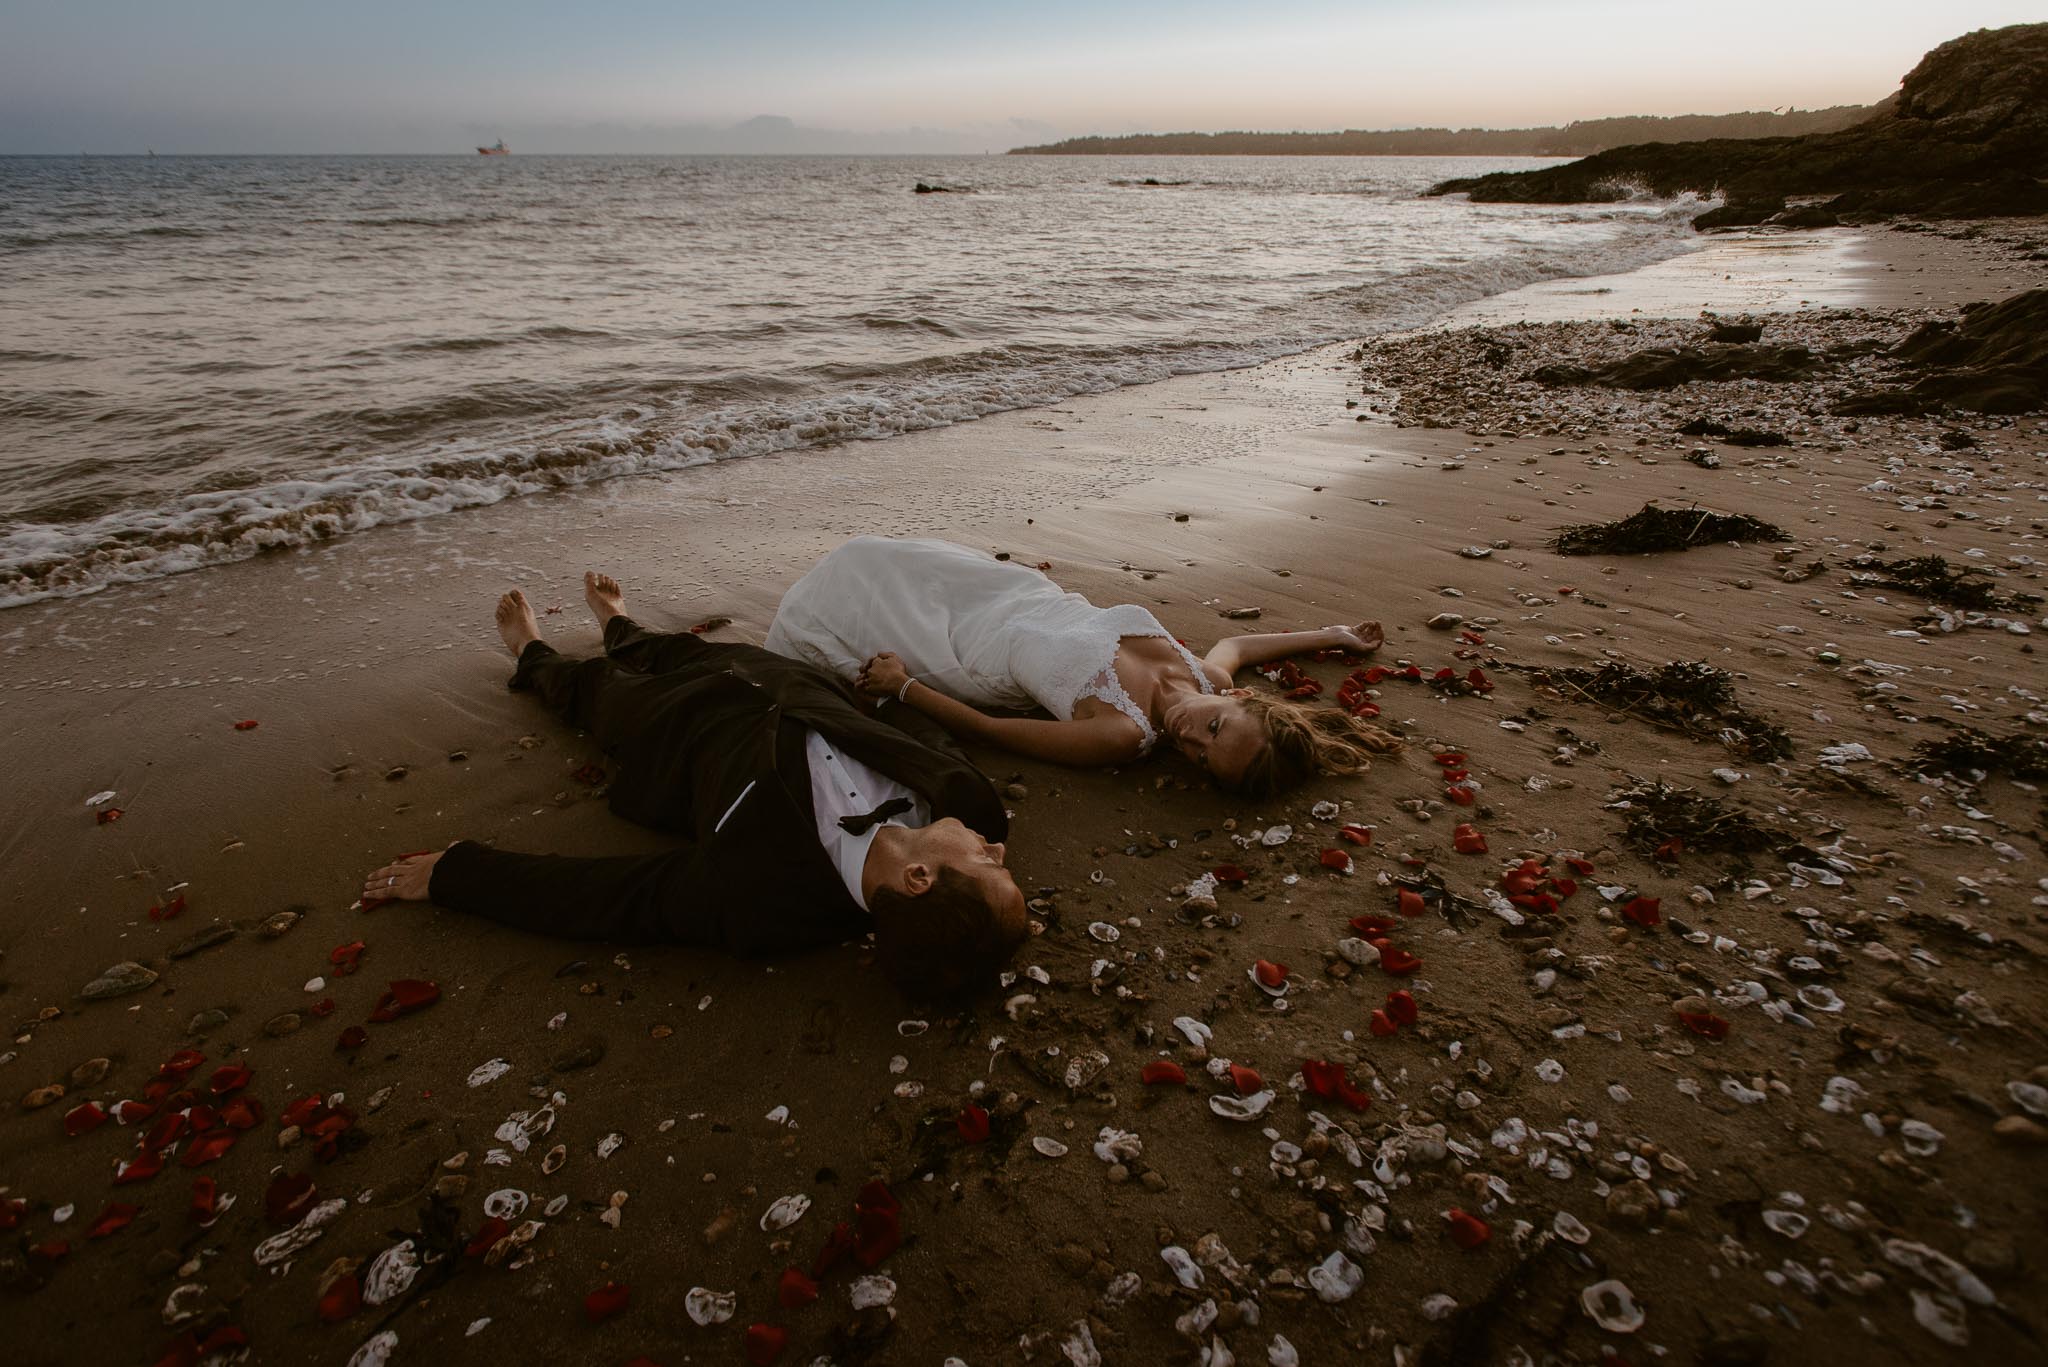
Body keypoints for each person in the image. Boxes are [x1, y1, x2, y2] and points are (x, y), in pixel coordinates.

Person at [362, 573, 1028, 997]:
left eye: (988, 866)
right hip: (779, 678)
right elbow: (932, 739)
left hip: (675, 729)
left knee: (591, 691)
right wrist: (891, 692)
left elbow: (614, 899)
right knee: (674, 648)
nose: (997, 850)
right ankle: (618, 623)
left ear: (919, 879)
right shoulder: (970, 805)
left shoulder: (760, 894)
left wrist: (457, 874)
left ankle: (530, 650)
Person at [763, 536, 1399, 797]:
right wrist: (1333, 634)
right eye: (1213, 731)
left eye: (1202, 761)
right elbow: (1240, 647)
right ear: (1242, 703)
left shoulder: (1119, 734)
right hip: (1013, 595)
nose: (1187, 741)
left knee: (824, 609)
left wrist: (902, 685)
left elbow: (992, 733)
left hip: (964, 647)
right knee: (867, 554)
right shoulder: (1211, 678)